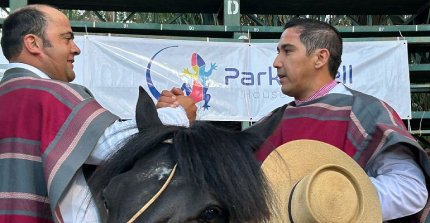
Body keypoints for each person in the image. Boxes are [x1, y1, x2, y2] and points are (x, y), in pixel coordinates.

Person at [160, 18, 430, 222]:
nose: (277, 62)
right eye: (278, 52)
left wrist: (321, 196)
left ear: (320, 57)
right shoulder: (275, 119)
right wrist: (183, 120)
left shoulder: (365, 111)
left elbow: (411, 190)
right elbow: (228, 174)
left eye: (287, 51)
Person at [0, 4, 194, 223]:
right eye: (66, 38)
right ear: (33, 43)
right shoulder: (50, 95)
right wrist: (176, 115)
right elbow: (111, 147)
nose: (75, 48)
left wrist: (156, 116)